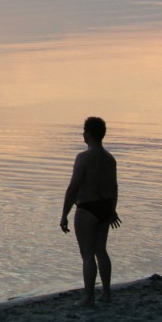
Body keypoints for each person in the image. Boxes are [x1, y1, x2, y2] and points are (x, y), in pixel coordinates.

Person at [60, 116, 121, 306]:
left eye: (84, 130)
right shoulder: (110, 159)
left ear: (88, 134)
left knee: (87, 254)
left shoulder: (83, 157)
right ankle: (107, 294)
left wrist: (64, 214)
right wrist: (112, 210)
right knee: (101, 250)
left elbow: (73, 187)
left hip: (87, 207)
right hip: (105, 207)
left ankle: (88, 297)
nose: (82, 134)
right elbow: (114, 187)